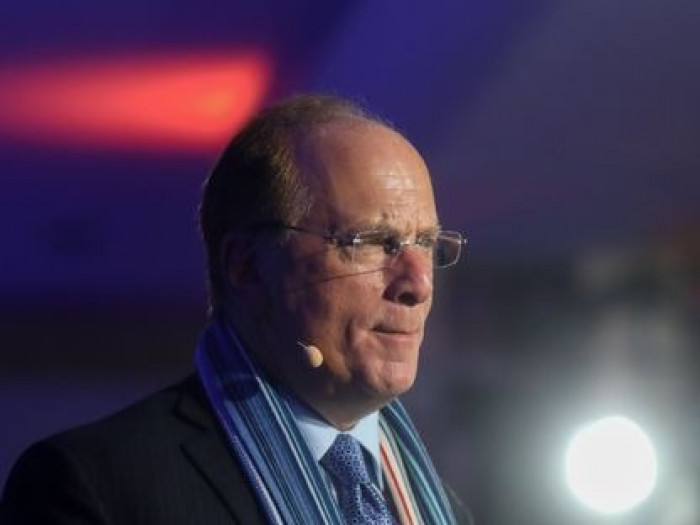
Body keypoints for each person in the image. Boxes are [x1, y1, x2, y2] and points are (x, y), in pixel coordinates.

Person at [1, 94, 472, 524]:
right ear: (247, 267)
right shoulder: (96, 487)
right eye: (371, 242)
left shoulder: (438, 509)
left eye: (426, 243)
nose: (418, 283)